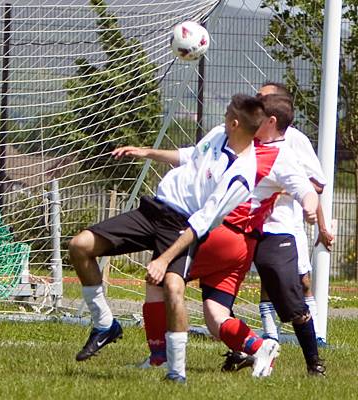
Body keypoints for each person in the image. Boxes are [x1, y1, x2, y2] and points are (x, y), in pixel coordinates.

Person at [114, 94, 318, 380]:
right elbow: (191, 155)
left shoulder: (254, 150)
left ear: (269, 122)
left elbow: (306, 189)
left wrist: (309, 206)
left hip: (217, 233)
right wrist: (149, 152)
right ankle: (259, 347)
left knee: (159, 281)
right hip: (241, 248)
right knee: (215, 315)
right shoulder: (250, 145)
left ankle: (159, 357)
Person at [69, 94, 267, 383]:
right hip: (154, 210)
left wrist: (163, 259)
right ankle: (104, 325)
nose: (222, 117)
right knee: (80, 246)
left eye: (226, 114)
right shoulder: (218, 134)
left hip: (182, 226)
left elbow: (203, 222)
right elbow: (190, 155)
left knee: (173, 288)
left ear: (235, 123)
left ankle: (176, 374)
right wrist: (146, 152)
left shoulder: (242, 176)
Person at [254, 82, 334, 347]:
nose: (257, 100)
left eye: (262, 97)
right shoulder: (248, 134)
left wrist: (286, 186)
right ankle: (269, 335)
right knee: (268, 277)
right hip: (255, 220)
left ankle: (317, 335)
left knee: (302, 280)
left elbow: (318, 184)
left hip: (287, 222)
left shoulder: (295, 139)